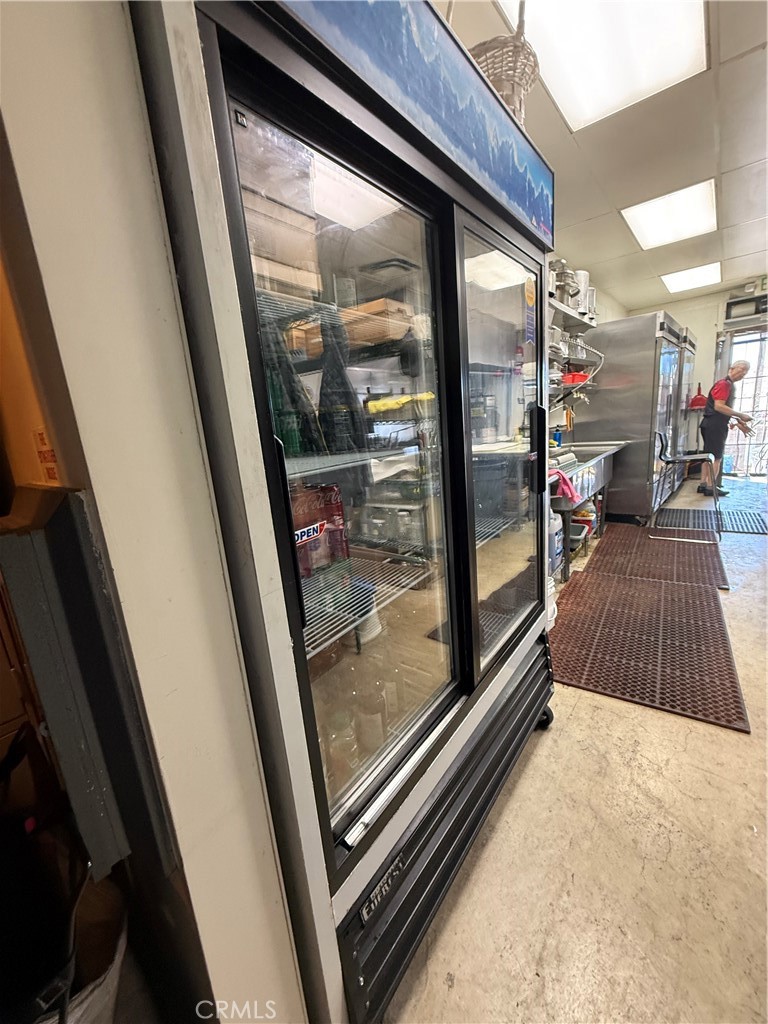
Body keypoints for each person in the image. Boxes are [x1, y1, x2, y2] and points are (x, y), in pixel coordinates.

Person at [698, 360, 752, 496]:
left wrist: (737, 420)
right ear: (731, 368)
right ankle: (710, 487)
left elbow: (721, 408)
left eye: (746, 371)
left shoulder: (727, 385)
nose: (743, 373)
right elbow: (719, 406)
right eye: (741, 369)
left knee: (708, 455)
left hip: (710, 423)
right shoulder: (724, 384)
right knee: (716, 457)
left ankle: (703, 484)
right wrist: (740, 415)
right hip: (715, 425)